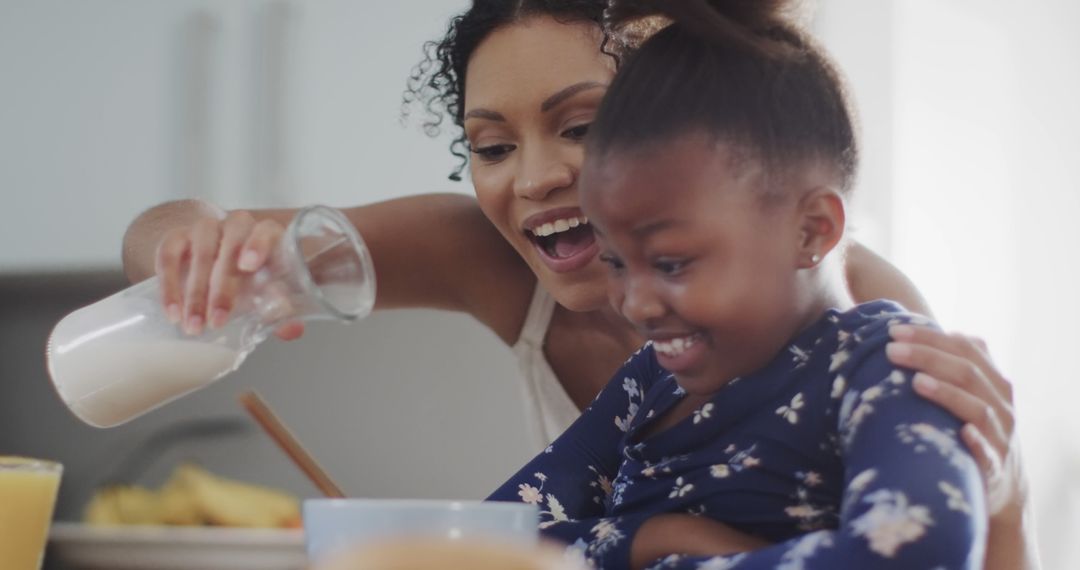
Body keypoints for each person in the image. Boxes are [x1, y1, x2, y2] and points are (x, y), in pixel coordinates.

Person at [119, 1, 1035, 568]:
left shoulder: (860, 319)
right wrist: (199, 248)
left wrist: (1006, 492)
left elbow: (938, 546)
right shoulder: (492, 255)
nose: (534, 180)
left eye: (585, 126)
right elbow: (512, 537)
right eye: (490, 146)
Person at [488, 1, 988, 567]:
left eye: (673, 263)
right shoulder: (652, 380)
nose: (636, 304)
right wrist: (651, 537)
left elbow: (916, 550)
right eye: (617, 261)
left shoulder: (886, 365)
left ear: (811, 230)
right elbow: (492, 538)